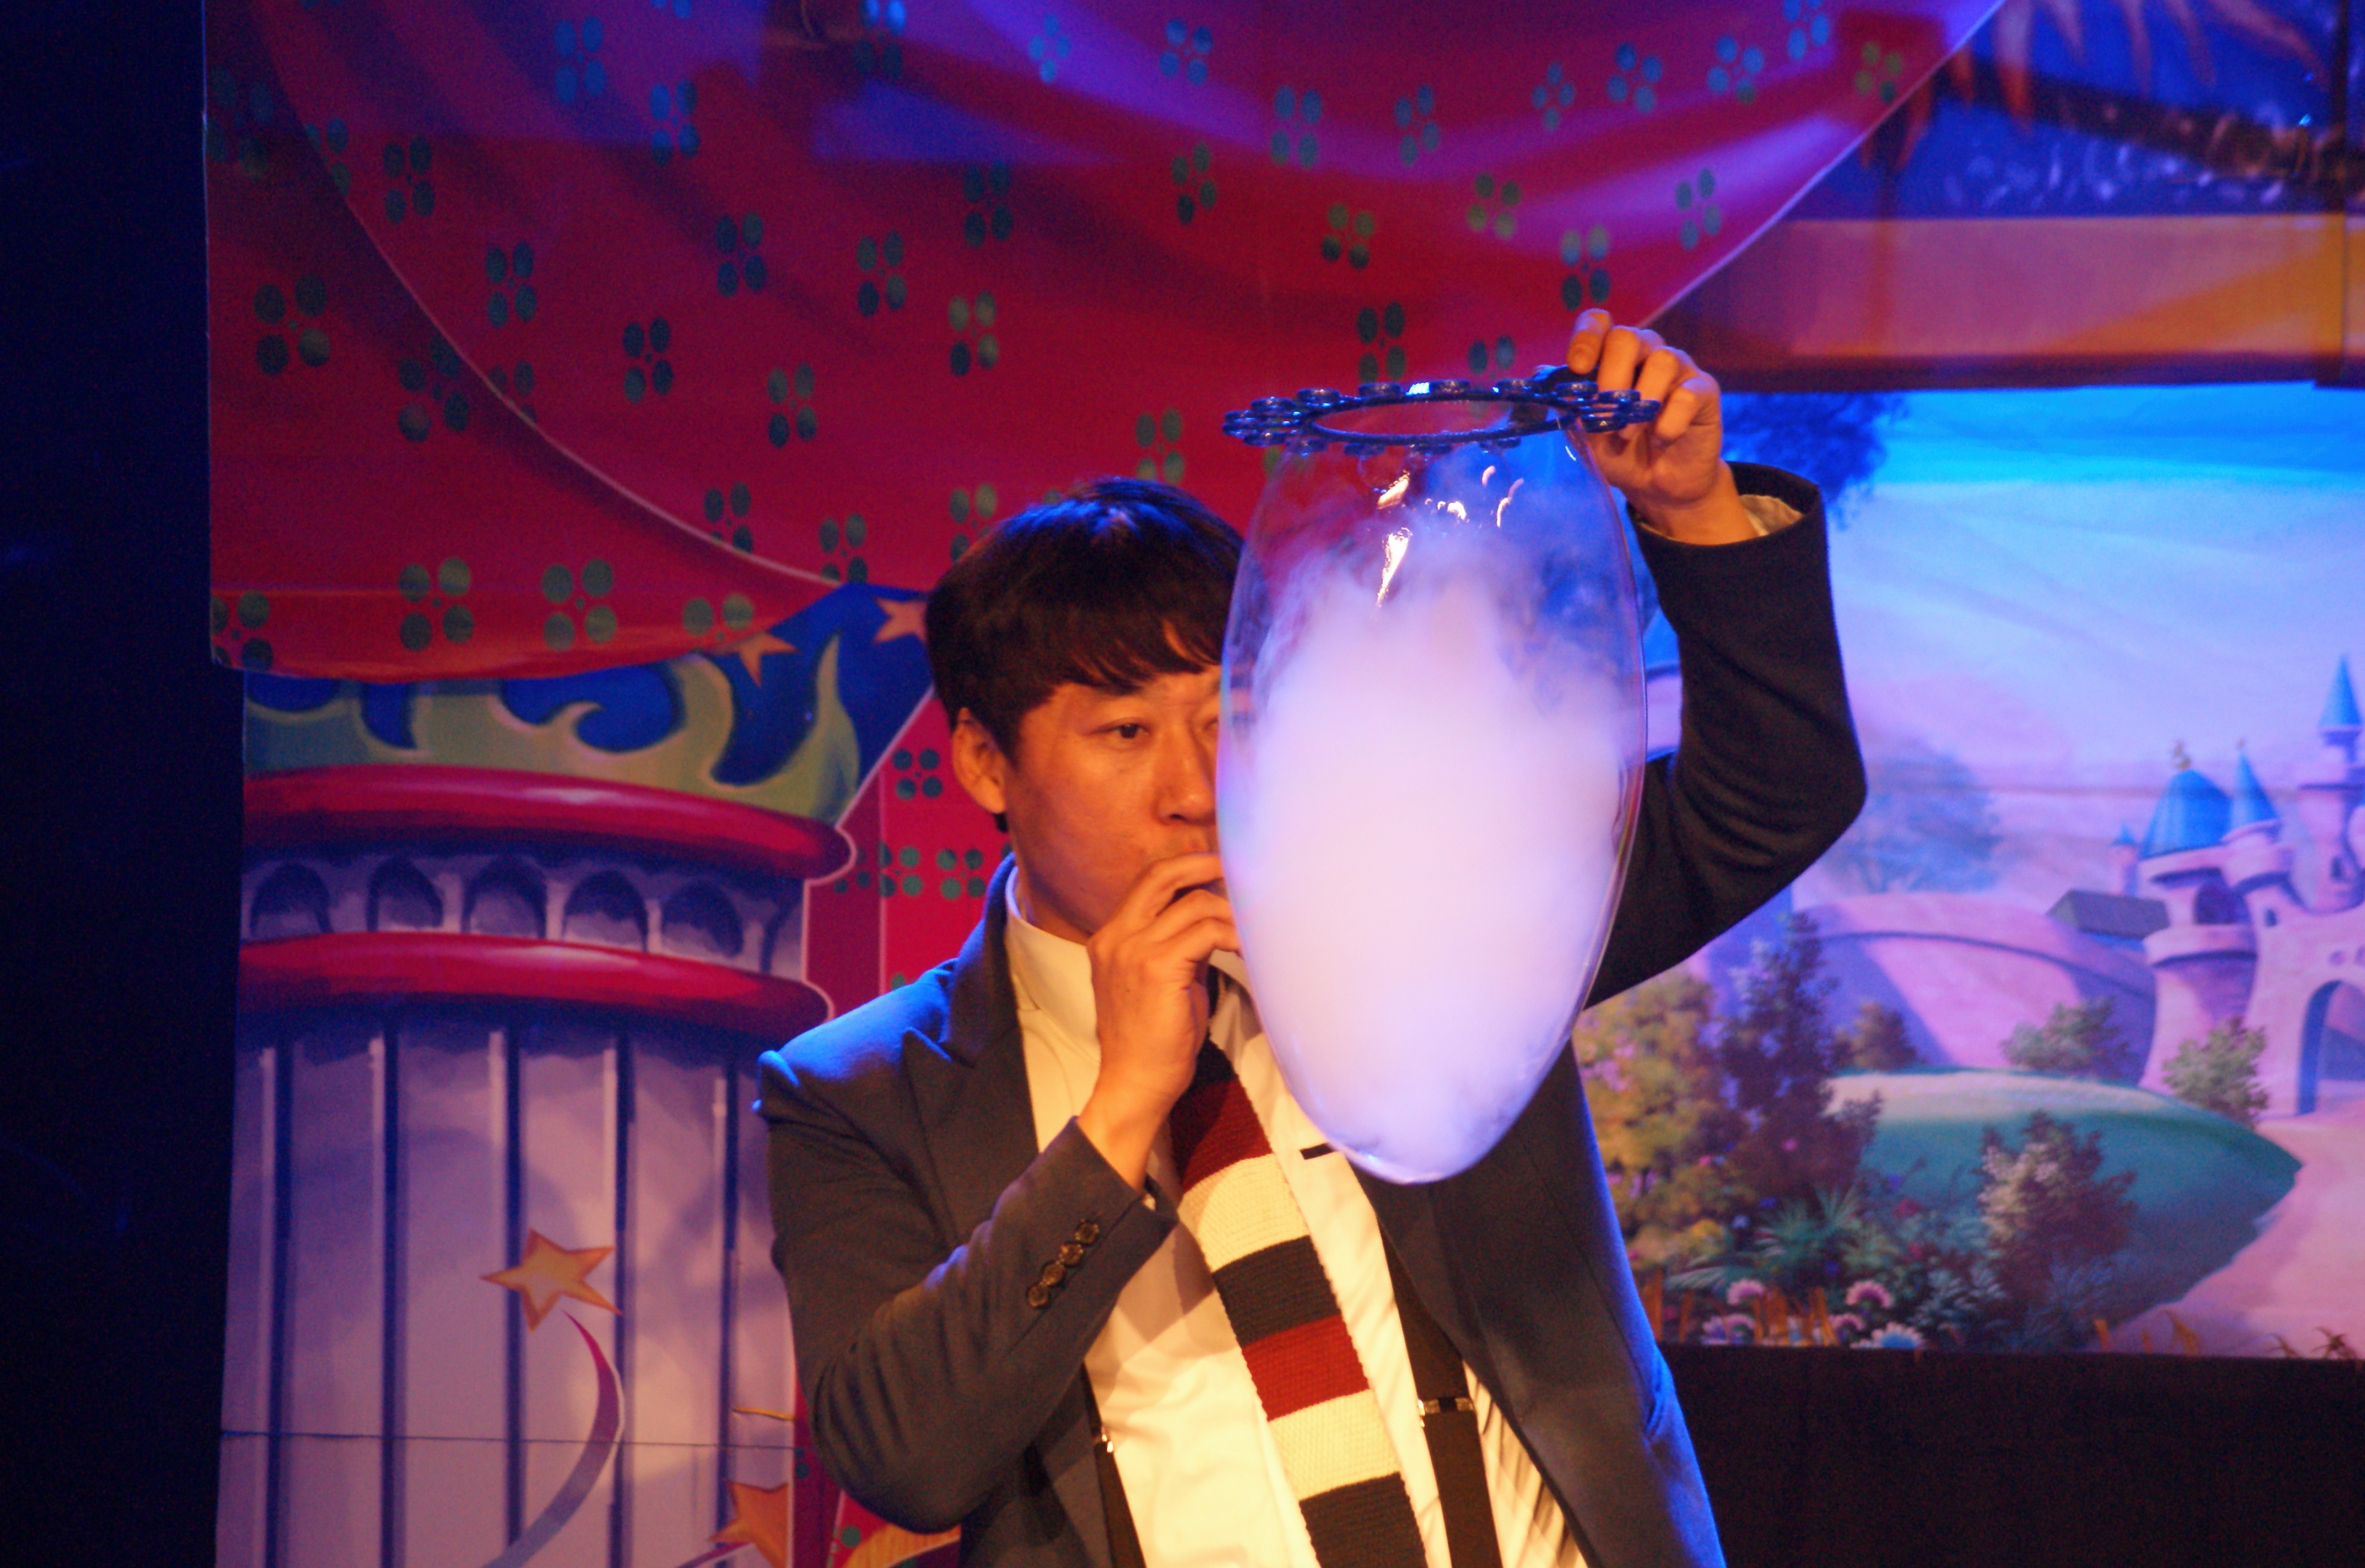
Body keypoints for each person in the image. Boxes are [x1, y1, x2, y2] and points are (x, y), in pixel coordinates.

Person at [758, 311, 1865, 1568]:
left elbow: (1772, 798)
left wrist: (1693, 509)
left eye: (1228, 715)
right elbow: (904, 1455)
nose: (1195, 786)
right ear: (981, 760)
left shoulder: (1421, 900)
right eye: (1125, 733)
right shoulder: (859, 1088)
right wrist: (1120, 1112)